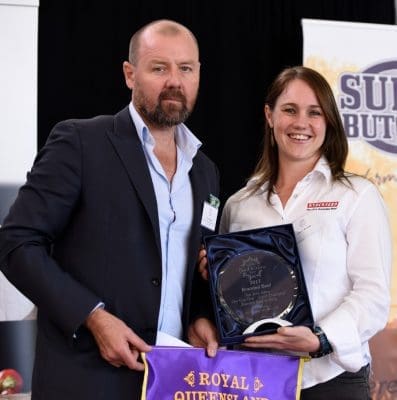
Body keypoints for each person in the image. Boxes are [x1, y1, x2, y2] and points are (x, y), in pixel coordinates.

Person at [0, 19, 219, 400]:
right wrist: (93, 317)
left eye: (185, 68)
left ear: (198, 74)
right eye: (158, 68)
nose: (174, 81)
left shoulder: (205, 170)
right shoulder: (81, 142)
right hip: (87, 379)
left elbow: (190, 269)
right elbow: (16, 243)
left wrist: (199, 315)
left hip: (173, 382)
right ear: (129, 74)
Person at [190, 66, 391, 400]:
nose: (301, 123)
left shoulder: (356, 196)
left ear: (329, 122)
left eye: (315, 113)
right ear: (269, 116)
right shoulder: (240, 205)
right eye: (289, 110)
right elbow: (229, 296)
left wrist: (320, 338)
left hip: (331, 381)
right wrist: (215, 273)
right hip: (255, 381)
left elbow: (373, 295)